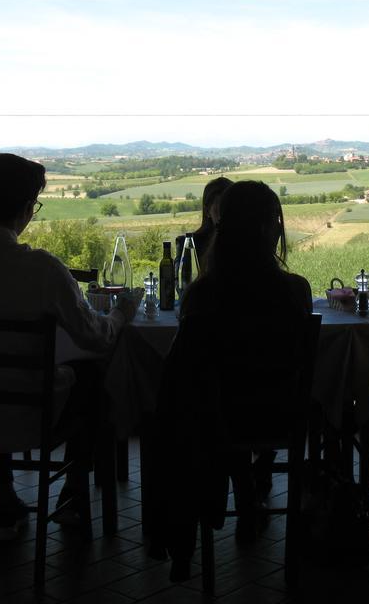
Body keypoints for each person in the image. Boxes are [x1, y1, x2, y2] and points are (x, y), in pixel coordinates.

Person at [0, 153, 138, 538]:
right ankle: (71, 493)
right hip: (38, 420)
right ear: (26, 209)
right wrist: (121, 313)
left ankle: (4, 498)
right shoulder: (44, 270)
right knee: (94, 377)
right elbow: (94, 338)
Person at [153, 180, 312, 581]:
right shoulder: (295, 292)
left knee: (214, 401)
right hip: (278, 418)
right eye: (276, 220)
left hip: (212, 424)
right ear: (265, 229)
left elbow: (187, 381)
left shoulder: (200, 296)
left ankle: (233, 503)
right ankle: (253, 497)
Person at [175, 175, 232, 270]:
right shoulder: (189, 245)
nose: (226, 214)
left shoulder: (246, 242)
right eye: (220, 209)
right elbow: (182, 280)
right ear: (207, 211)